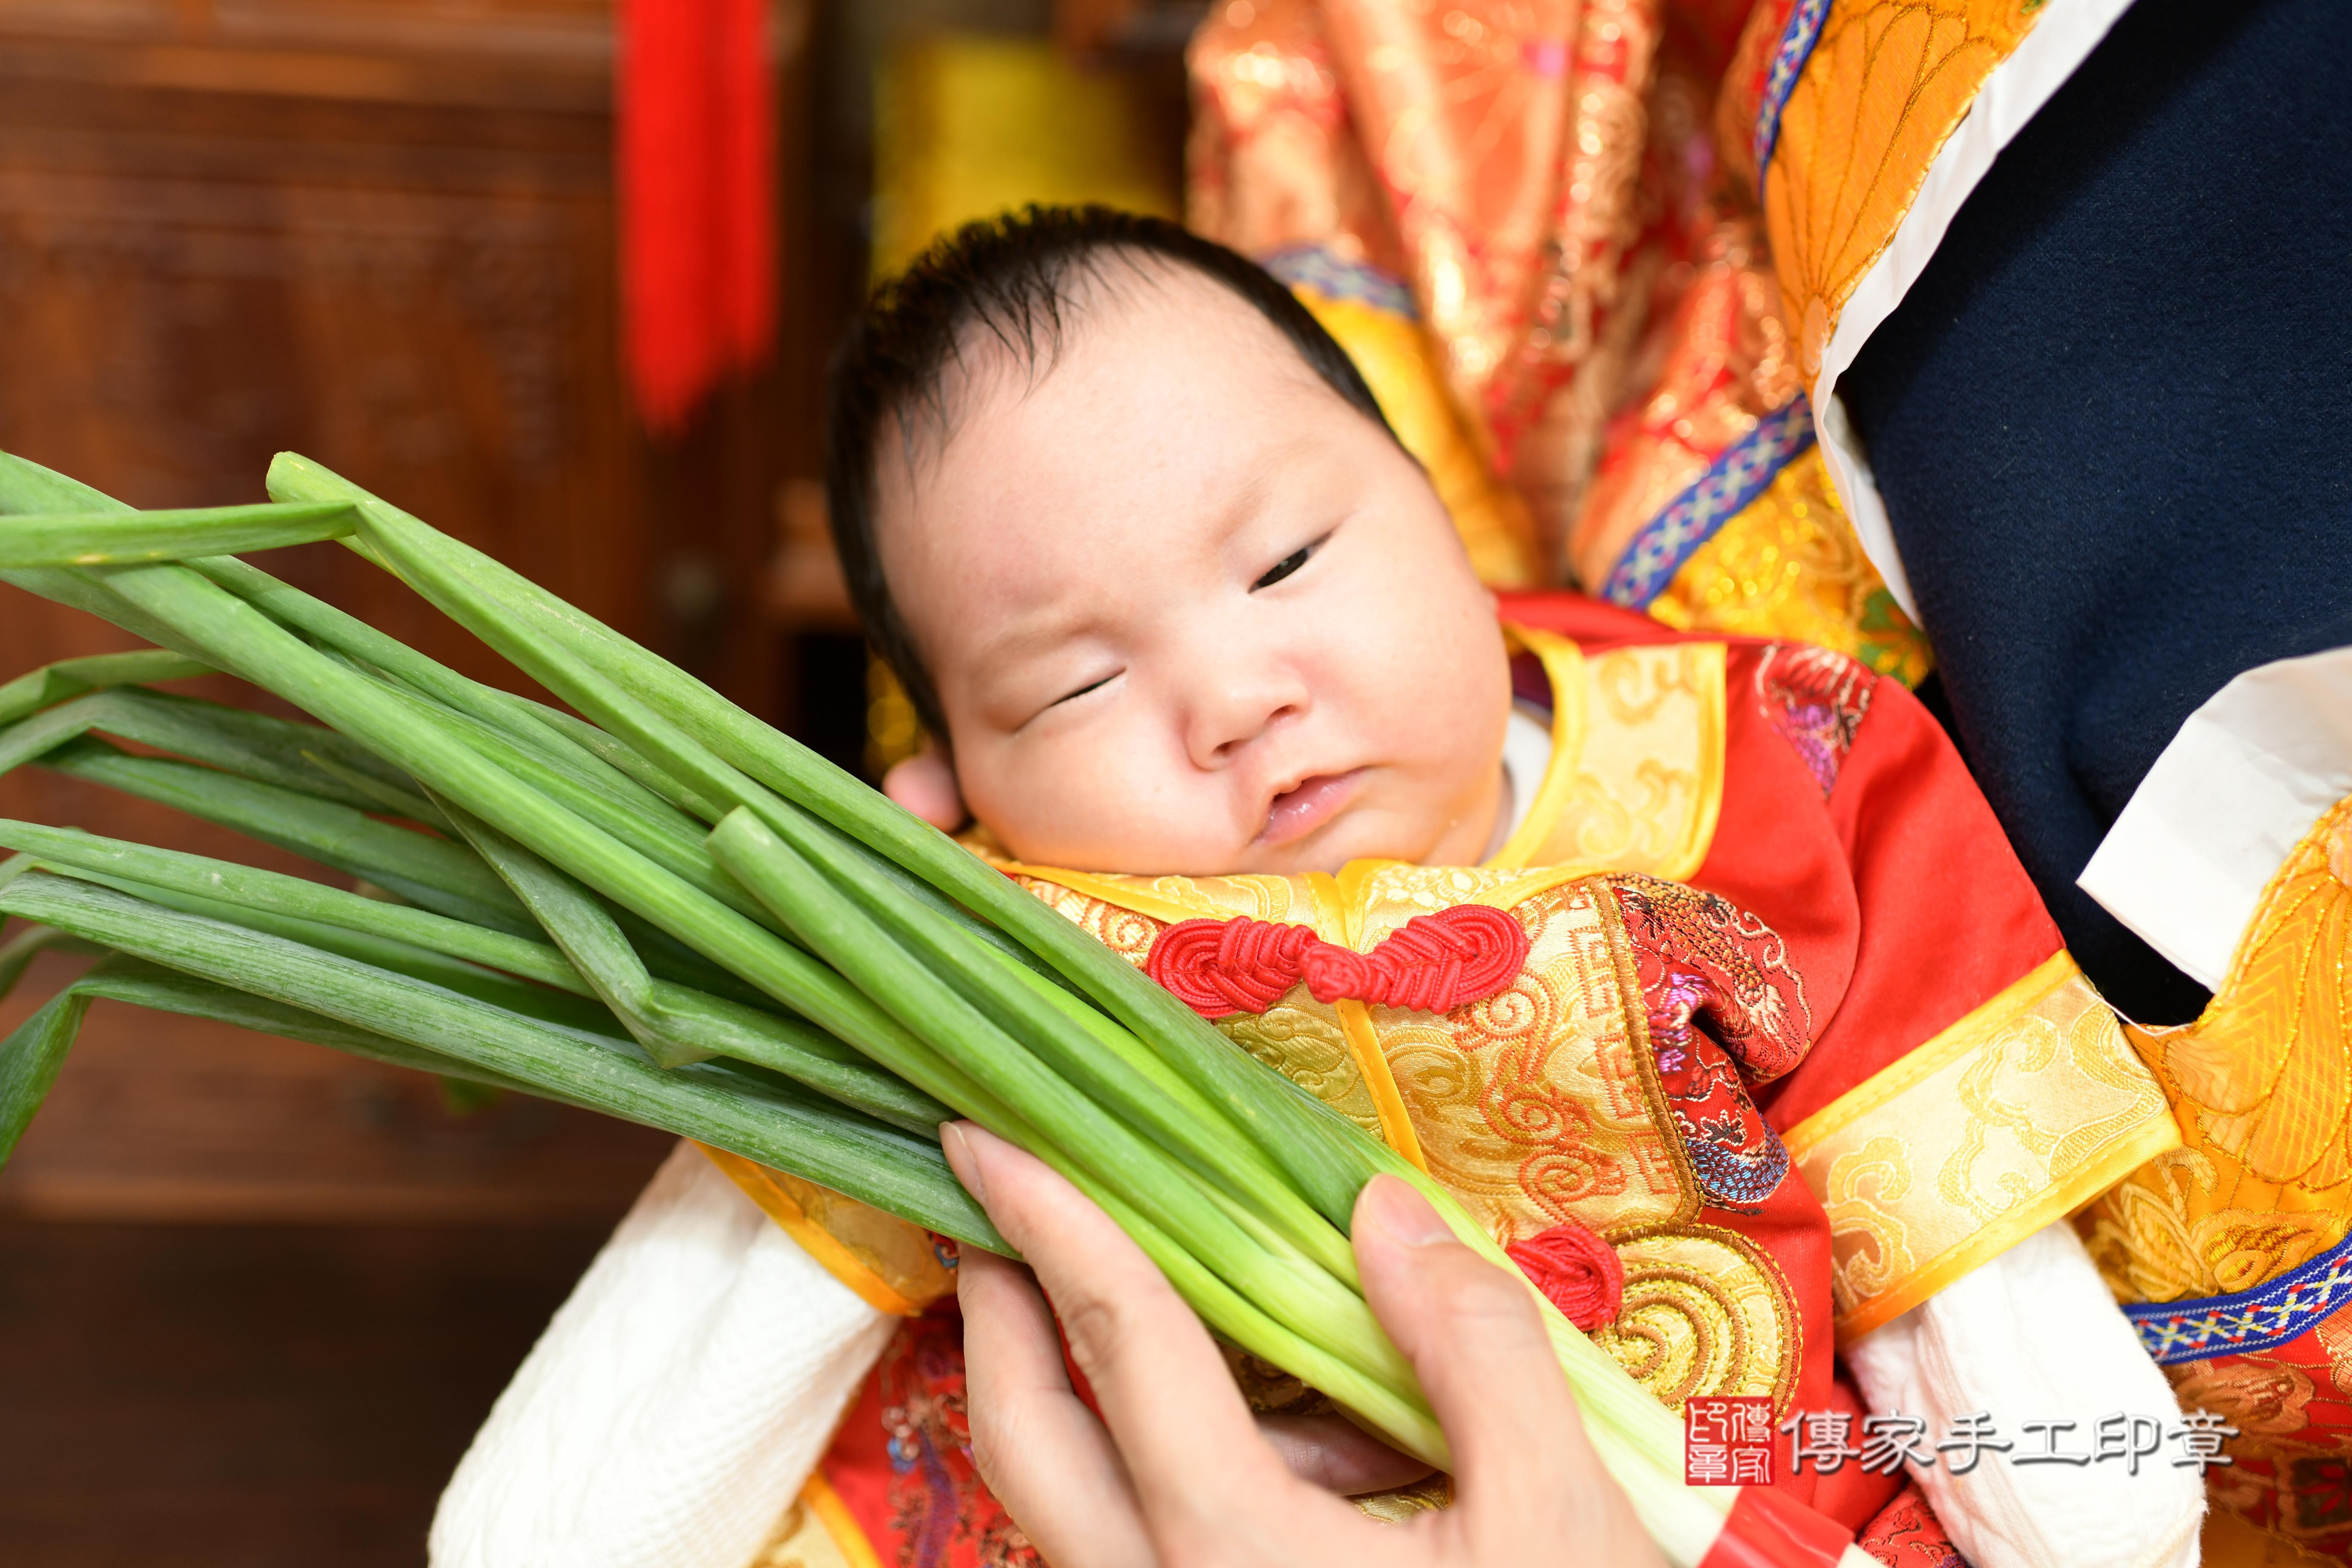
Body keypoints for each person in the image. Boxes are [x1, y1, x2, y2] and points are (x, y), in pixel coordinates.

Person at [428, 209, 2199, 1568]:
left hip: (1716, 1480)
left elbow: (1980, 1304)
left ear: (1436, 509)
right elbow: (659, 1401)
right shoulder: (991, 939)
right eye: (1072, 685)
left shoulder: (1770, 776)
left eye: (1285, 559)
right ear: (953, 778)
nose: (1231, 699)